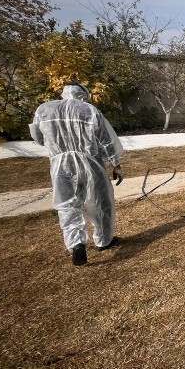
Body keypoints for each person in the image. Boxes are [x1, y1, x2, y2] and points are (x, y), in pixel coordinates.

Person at [29, 83, 124, 266]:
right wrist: (116, 164)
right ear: (84, 95)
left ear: (63, 93)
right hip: (91, 164)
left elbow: (38, 138)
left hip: (60, 165)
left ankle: (76, 243)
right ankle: (104, 240)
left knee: (68, 206)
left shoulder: (44, 110)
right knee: (99, 201)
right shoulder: (89, 110)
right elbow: (107, 141)